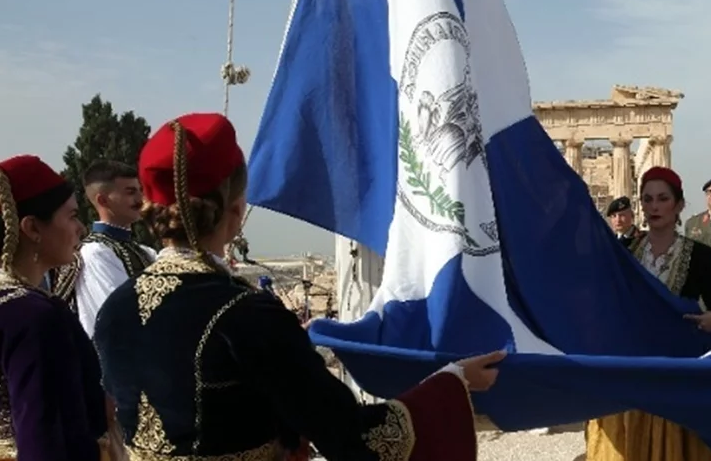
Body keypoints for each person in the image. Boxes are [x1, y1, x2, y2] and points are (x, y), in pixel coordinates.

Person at [93, 112, 505, 460]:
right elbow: (354, 435)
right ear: (235, 211)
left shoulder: (114, 309)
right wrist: (452, 383)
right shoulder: (246, 314)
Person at [586, 166, 711, 461]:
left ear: (679, 205)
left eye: (663, 199)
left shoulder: (699, 256)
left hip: (676, 379)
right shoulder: (625, 254)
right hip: (629, 378)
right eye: (648, 200)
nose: (654, 207)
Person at [0, 155, 123, 460]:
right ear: (32, 228)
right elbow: (46, 441)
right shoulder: (35, 317)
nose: (81, 228)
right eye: (71, 216)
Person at [52, 160, 156, 337]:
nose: (140, 199)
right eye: (130, 192)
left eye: (140, 191)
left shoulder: (144, 251)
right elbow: (120, 314)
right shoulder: (95, 252)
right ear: (103, 200)